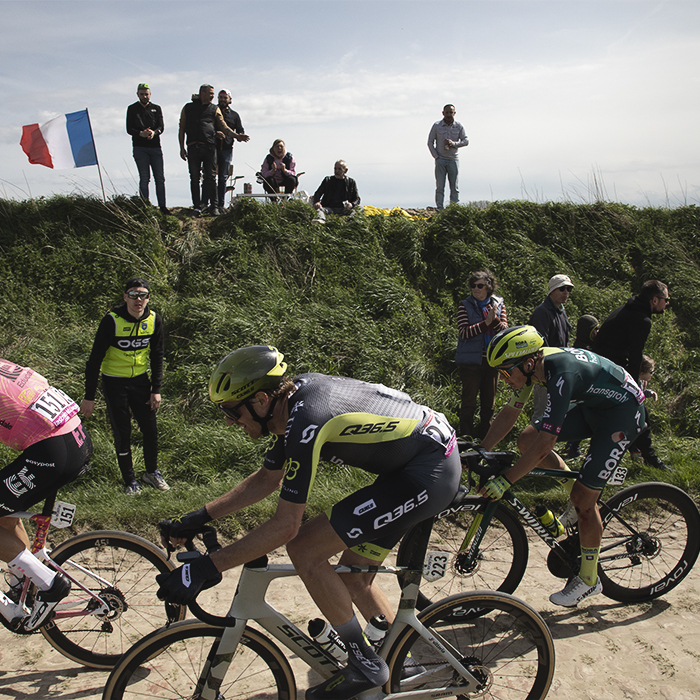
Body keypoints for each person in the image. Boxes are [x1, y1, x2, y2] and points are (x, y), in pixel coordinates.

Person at [157, 345, 461, 700]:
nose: (228, 420)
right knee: (356, 576)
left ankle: (364, 662)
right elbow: (267, 479)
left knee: (304, 548)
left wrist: (209, 567)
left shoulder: (307, 418)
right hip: (418, 461)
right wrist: (199, 517)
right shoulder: (292, 406)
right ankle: (404, 667)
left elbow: (286, 526)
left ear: (259, 400)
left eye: (231, 410)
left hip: (427, 473)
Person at [479, 326, 645, 607]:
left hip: (622, 415)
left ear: (528, 363)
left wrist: (506, 480)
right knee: (526, 437)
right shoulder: (535, 367)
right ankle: (574, 496)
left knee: (584, 500)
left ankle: (589, 580)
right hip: (596, 407)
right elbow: (510, 413)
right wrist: (483, 450)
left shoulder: (560, 373)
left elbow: (546, 444)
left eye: (506, 372)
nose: (503, 378)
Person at [0, 360, 92, 631]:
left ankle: (49, 583)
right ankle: (22, 585)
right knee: (6, 513)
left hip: (53, 449)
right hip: (74, 438)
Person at [80, 277, 168, 495]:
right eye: (133, 295)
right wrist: (89, 397)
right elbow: (94, 360)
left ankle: (151, 472)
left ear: (148, 298)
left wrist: (156, 389)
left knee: (150, 430)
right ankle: (130, 481)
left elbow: (158, 356)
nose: (138, 300)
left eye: (143, 295)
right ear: (125, 297)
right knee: (123, 432)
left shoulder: (154, 319)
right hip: (114, 382)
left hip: (141, 381)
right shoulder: (112, 320)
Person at [592, 280, 671, 471]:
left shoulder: (626, 309)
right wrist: (636, 390)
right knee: (640, 413)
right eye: (665, 300)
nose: (667, 304)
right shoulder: (641, 320)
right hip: (608, 372)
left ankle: (640, 454)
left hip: (601, 368)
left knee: (634, 414)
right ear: (654, 300)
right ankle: (650, 459)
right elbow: (636, 356)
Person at [455, 270, 508, 439]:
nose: (476, 289)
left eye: (480, 286)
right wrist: (486, 323)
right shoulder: (464, 305)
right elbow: (464, 332)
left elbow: (505, 331)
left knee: (489, 404)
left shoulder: (499, 304)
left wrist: (495, 320)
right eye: (473, 286)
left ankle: (486, 437)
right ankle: (466, 437)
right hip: (471, 362)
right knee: (468, 402)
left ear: (489, 287)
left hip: (492, 361)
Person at [178, 85, 238, 217]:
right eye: (210, 93)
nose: (212, 96)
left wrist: (236, 136)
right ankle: (197, 207)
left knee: (211, 177)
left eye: (213, 94)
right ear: (202, 93)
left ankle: (214, 207)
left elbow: (224, 126)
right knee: (194, 177)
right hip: (193, 146)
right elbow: (182, 127)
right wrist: (181, 148)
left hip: (210, 147)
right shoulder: (188, 108)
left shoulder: (214, 109)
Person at [528, 274, 574, 420]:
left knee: (556, 410)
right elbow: (540, 343)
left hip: (559, 367)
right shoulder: (542, 312)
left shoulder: (561, 310)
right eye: (562, 289)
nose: (566, 292)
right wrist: (546, 368)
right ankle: (532, 440)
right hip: (545, 368)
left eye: (568, 289)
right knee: (542, 411)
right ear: (552, 291)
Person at [202, 89, 249, 211]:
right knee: (208, 176)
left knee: (223, 177)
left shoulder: (234, 115)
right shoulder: (212, 111)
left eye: (225, 98)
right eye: (220, 97)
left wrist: (240, 136)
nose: (222, 100)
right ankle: (204, 204)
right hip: (212, 148)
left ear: (230, 100)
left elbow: (240, 130)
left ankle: (220, 205)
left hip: (227, 149)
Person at [126, 83, 168, 214]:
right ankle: (145, 206)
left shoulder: (156, 108)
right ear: (138, 94)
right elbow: (129, 128)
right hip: (140, 147)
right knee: (145, 178)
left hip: (155, 147)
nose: (144, 96)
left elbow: (161, 126)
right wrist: (140, 133)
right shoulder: (132, 108)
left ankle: (162, 206)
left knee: (160, 178)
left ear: (150, 94)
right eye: (142, 94)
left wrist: (153, 133)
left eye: (146, 94)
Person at [565, 314, 600, 458]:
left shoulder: (592, 346)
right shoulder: (582, 349)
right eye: (594, 330)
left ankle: (572, 444)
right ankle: (573, 447)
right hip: (582, 391)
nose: (597, 333)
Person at [427, 104, 469, 210]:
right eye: (447, 112)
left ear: (454, 113)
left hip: (453, 160)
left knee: (454, 187)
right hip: (440, 160)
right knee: (440, 187)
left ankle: (453, 209)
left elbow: (466, 141)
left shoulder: (459, 126)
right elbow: (430, 142)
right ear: (443, 113)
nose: (449, 114)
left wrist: (454, 144)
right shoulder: (436, 125)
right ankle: (440, 209)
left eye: (451, 112)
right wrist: (436, 157)